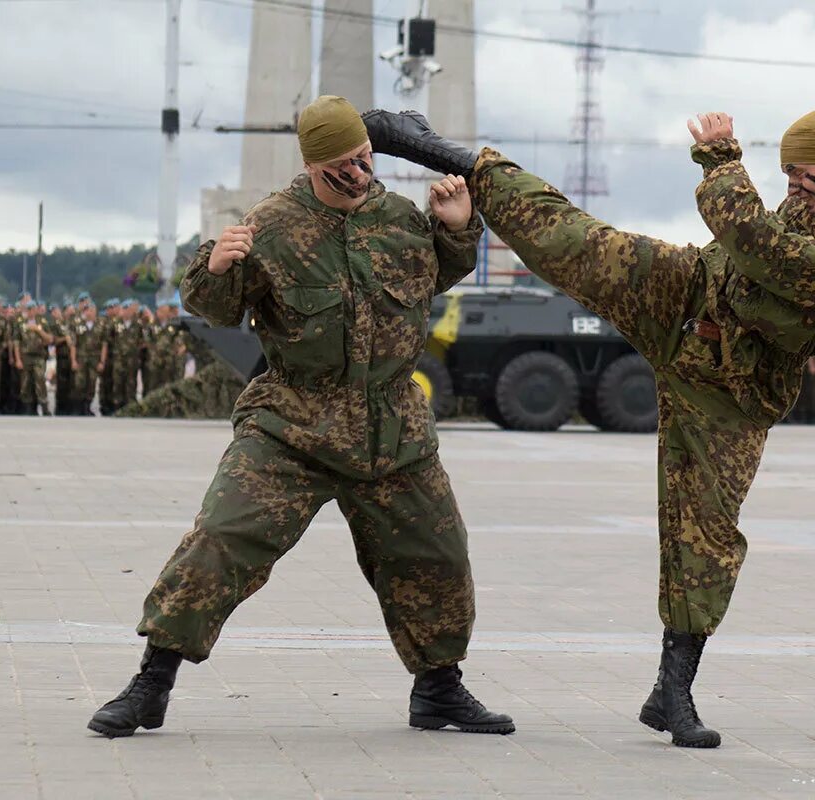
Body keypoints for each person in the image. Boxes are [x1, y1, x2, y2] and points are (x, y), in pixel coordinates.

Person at [364, 107, 815, 747]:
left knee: (705, 531)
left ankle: (673, 692)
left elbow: (758, 246)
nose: (795, 187)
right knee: (568, 236)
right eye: (789, 176)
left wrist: (723, 160)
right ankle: (424, 142)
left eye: (805, 175)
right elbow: (743, 245)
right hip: (687, 292)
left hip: (731, 385)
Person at [87, 96, 512, 740]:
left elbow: (434, 277)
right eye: (344, 163)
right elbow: (217, 307)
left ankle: (439, 690)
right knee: (221, 541)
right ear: (316, 166)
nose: (360, 171)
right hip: (293, 424)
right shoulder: (272, 227)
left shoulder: (397, 217)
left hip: (392, 427)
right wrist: (217, 266)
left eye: (365, 157)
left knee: (436, 556)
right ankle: (152, 683)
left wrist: (456, 228)